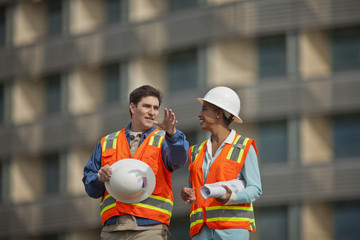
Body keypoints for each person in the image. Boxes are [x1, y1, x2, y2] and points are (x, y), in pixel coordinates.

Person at [83, 85, 189, 240]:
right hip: (113, 229)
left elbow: (179, 160)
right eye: (146, 106)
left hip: (150, 228)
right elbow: (90, 187)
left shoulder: (165, 140)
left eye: (155, 108)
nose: (152, 112)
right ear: (132, 107)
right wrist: (99, 178)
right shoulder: (107, 142)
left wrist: (172, 134)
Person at [181, 86, 262, 240]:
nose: (199, 114)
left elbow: (255, 189)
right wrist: (188, 194)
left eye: (204, 109)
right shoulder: (195, 151)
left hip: (231, 231)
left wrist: (232, 197)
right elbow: (197, 192)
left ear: (219, 113)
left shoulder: (244, 146)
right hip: (200, 232)